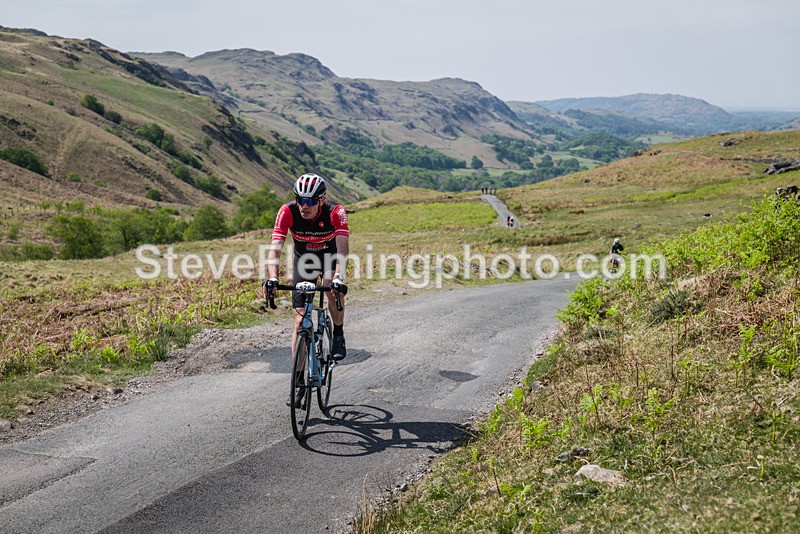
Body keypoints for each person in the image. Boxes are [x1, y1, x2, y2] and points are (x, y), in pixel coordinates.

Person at [263, 173, 350, 365]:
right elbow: (274, 249)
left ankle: (338, 333)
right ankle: (299, 380)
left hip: (330, 256)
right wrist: (273, 278)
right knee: (300, 321)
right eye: (300, 199)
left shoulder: (336, 212)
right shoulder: (287, 211)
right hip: (305, 260)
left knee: (330, 288)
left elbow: (343, 250)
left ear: (322, 200)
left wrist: (338, 278)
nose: (304, 206)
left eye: (310, 201)